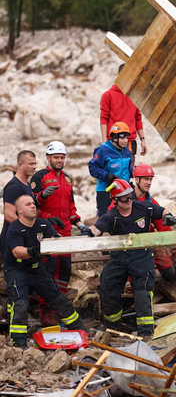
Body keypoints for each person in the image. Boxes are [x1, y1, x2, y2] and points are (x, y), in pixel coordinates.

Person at [84, 179, 176, 339]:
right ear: (116, 200)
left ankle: (146, 332)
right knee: (108, 287)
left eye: (130, 196)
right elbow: (95, 229)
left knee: (143, 292)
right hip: (119, 258)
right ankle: (113, 325)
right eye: (124, 198)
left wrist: (168, 216)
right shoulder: (111, 216)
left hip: (142, 257)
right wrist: (85, 233)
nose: (129, 200)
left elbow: (161, 211)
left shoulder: (143, 207)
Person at [4, 194, 87, 348]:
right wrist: (35, 250)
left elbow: (55, 241)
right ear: (19, 210)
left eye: (33, 203)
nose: (33, 206)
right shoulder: (14, 228)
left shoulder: (43, 225)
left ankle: (80, 329)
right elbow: (17, 251)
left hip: (37, 269)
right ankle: (19, 343)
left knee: (59, 298)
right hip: (17, 270)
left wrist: (62, 241)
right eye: (28, 204)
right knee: (20, 303)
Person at [30, 141, 86, 324]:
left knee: (65, 271)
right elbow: (31, 205)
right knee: (49, 270)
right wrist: (43, 198)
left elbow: (70, 206)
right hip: (47, 232)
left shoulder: (67, 179)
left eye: (62, 157)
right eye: (56, 157)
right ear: (48, 158)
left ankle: (60, 306)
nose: (59, 160)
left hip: (66, 232)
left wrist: (78, 222)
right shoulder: (39, 177)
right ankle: (45, 309)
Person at [127, 164, 176, 281]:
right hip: (129, 245)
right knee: (136, 277)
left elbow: (163, 227)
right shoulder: (124, 199)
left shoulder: (150, 202)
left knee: (170, 273)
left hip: (149, 242)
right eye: (146, 179)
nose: (149, 183)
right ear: (137, 179)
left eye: (150, 179)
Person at [89, 122, 134, 216]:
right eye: (122, 137)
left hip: (124, 191)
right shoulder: (103, 150)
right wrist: (107, 175)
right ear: (114, 138)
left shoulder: (126, 151)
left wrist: (133, 173)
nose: (125, 141)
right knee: (105, 220)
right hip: (106, 192)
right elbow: (92, 168)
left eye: (126, 138)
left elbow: (128, 169)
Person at [100, 64, 146, 156]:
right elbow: (103, 118)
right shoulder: (107, 95)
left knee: (129, 169)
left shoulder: (134, 96)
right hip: (113, 142)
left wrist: (142, 140)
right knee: (113, 170)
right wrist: (104, 140)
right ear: (119, 76)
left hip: (130, 142)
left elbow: (138, 118)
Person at [2, 151, 38, 258]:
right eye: (31, 164)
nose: (34, 167)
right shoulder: (14, 186)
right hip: (13, 241)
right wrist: (30, 229)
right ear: (20, 165)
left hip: (23, 237)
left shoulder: (26, 185)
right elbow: (9, 215)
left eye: (35, 164)